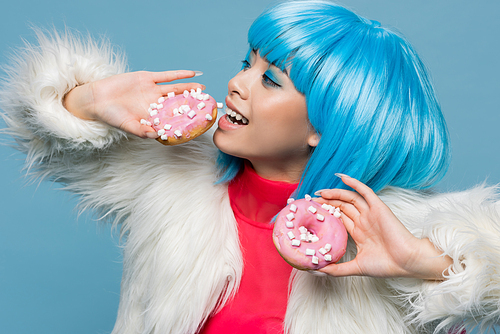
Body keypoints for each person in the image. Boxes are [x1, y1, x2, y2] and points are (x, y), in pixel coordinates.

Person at [1, 1, 499, 333]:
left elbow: (484, 284)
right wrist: (88, 100)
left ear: (324, 126)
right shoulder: (170, 184)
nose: (239, 83)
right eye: (247, 63)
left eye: (272, 80)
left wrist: (427, 267)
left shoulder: (391, 233)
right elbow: (52, 142)